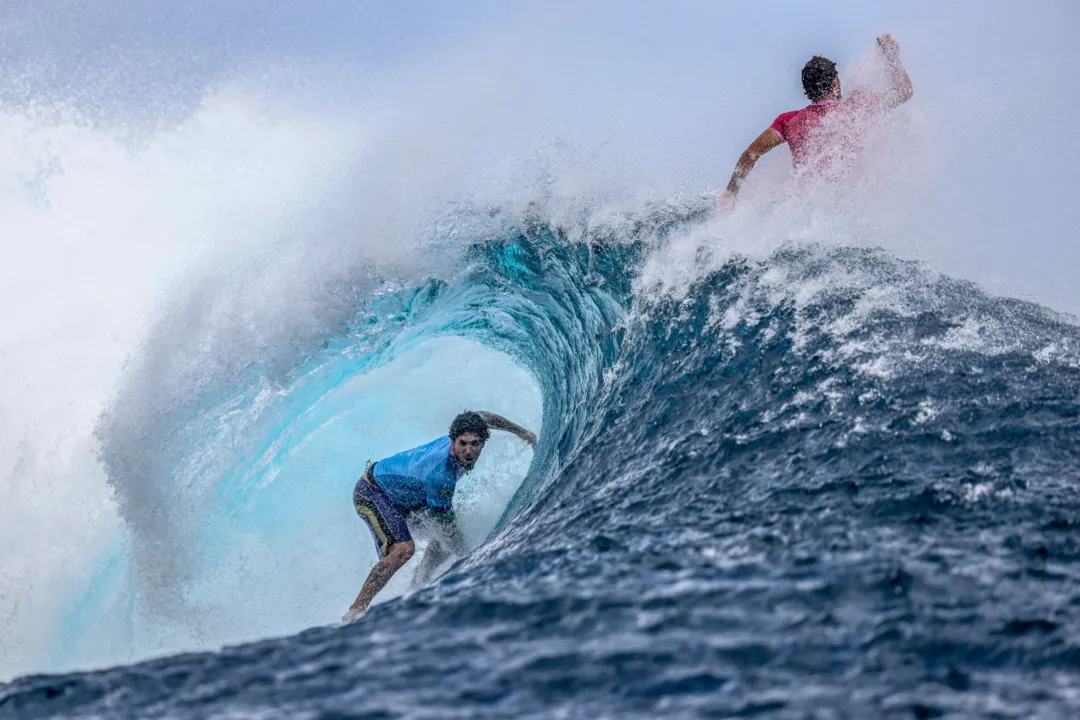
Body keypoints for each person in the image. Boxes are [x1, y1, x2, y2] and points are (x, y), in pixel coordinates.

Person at [342, 410, 537, 621]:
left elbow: (483, 416)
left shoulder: (471, 428)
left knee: (442, 539)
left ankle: (417, 584)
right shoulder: (440, 476)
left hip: (410, 497)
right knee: (403, 550)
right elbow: (447, 527)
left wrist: (521, 432)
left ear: (483, 441)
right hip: (373, 493)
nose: (469, 451)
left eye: (475, 444)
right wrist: (470, 556)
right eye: (462, 444)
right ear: (453, 441)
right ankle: (355, 611)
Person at [717, 34, 913, 210]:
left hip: (804, 208)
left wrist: (730, 194)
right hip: (848, 207)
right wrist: (892, 56)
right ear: (835, 83)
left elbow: (751, 153)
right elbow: (904, 91)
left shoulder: (788, 121)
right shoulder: (857, 106)